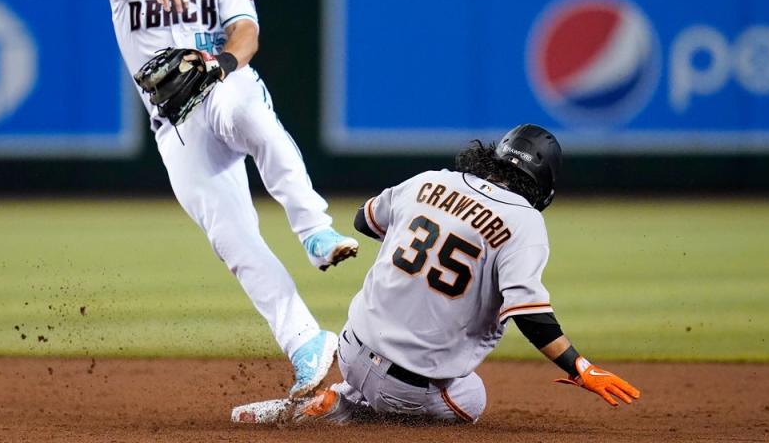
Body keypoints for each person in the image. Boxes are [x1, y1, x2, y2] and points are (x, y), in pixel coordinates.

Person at [86, 0, 359, 397]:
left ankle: (314, 231)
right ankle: (306, 341)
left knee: (251, 114)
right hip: (175, 129)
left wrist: (222, 62)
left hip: (221, 88)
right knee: (235, 242)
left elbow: (246, 32)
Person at [239, 124, 640, 423]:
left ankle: (345, 393)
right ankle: (347, 411)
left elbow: (364, 220)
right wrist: (580, 367)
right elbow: (528, 314)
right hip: (408, 390)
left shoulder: (430, 180)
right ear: (544, 185)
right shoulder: (525, 221)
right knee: (472, 399)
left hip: (350, 352)